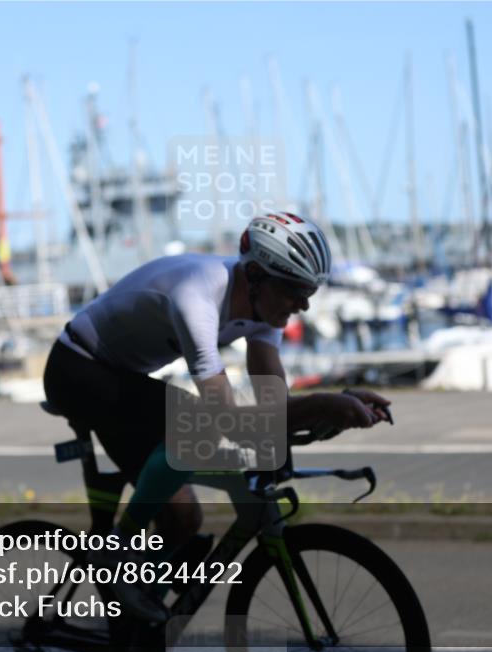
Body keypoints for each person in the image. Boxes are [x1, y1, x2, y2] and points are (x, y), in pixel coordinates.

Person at [42, 212, 392, 623]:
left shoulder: (265, 309)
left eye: (310, 291)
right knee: (196, 422)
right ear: (256, 276)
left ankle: (135, 629)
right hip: (76, 368)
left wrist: (335, 409)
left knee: (184, 519)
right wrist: (320, 405)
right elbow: (224, 416)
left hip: (123, 378)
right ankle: (116, 553)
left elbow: (273, 408)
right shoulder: (196, 295)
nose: (304, 305)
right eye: (296, 290)